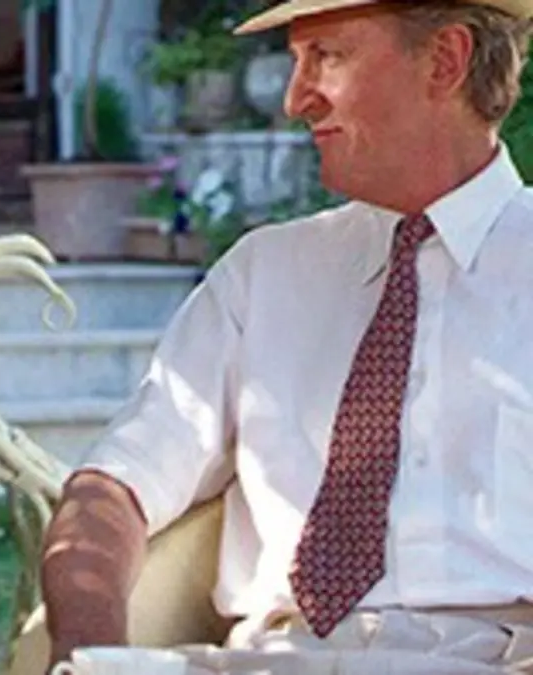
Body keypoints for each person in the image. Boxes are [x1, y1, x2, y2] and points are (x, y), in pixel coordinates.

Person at [40, 0, 533, 672]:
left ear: (445, 61)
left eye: (327, 57)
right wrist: (83, 655)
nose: (295, 100)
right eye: (296, 62)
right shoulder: (263, 273)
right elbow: (113, 486)